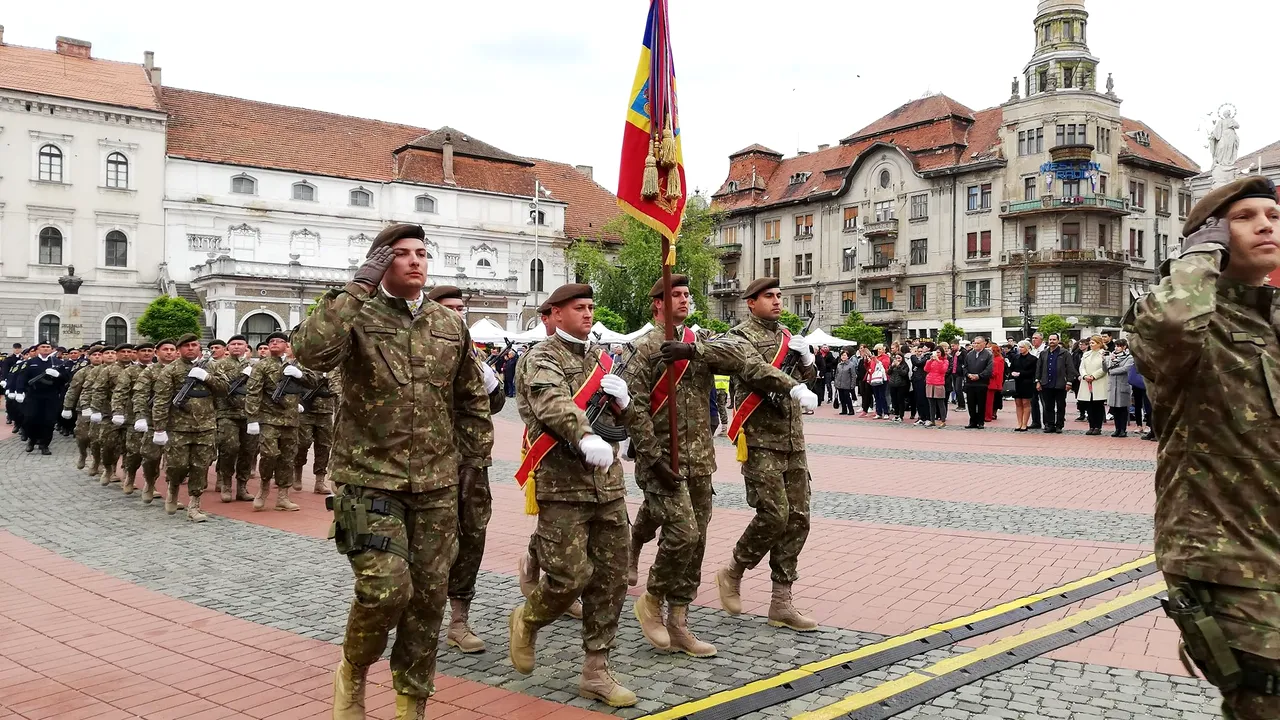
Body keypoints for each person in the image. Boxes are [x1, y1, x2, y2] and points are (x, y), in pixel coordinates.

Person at [293, 223, 491, 719]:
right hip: (367, 479)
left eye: (422, 253)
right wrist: (359, 284)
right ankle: (354, 670)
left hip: (437, 483)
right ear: (381, 263)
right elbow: (311, 352)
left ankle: (411, 704)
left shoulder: (449, 326)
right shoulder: (356, 316)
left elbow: (471, 400)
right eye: (400, 254)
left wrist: (474, 462)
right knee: (385, 589)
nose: (415, 261)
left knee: (428, 599)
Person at [1124, 176, 1280, 720]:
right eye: (1244, 217)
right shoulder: (1189, 320)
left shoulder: (1272, 318)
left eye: (1273, 215)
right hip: (1226, 560)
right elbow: (1172, 321)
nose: (1266, 224)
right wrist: (1199, 254)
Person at [625, 275, 803, 657]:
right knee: (683, 535)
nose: (685, 299)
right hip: (663, 460)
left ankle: (679, 622)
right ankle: (653, 599)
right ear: (657, 304)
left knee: (698, 542)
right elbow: (634, 407)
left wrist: (693, 352)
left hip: (700, 459)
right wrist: (651, 457)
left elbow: (741, 359)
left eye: (688, 294)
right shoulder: (643, 348)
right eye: (676, 295)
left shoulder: (700, 342)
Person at [507, 283, 636, 707]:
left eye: (590, 307)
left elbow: (622, 421)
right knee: (569, 577)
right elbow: (552, 404)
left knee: (612, 577)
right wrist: (582, 435)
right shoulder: (540, 358)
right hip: (564, 487)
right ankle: (528, 618)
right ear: (555, 313)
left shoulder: (601, 358)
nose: (587, 313)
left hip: (609, 486)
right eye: (578, 307)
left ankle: (595, 670)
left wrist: (625, 404)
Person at [716, 277, 821, 633]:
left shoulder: (789, 337)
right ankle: (734, 569)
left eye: (779, 296)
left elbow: (812, 380)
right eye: (769, 297)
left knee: (799, 519)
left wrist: (807, 360)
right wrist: (793, 384)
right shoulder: (740, 338)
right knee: (774, 515)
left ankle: (781, 601)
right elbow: (755, 371)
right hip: (760, 440)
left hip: (793, 441)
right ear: (750, 302)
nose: (777, 301)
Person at [425, 284, 504, 656]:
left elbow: (498, 404)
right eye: (449, 308)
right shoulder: (422, 349)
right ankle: (419, 614)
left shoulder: (472, 353)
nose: (458, 314)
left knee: (472, 537)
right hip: (428, 463)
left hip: (473, 463)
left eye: (461, 308)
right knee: (428, 542)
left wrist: (491, 379)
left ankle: (458, 619)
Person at [151, 334, 229, 520]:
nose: (190, 348)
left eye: (194, 345)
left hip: (206, 426)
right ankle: (173, 488)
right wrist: (159, 428)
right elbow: (161, 401)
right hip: (178, 427)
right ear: (179, 350)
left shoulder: (212, 367)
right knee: (177, 465)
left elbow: (225, 389)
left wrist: (207, 377)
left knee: (200, 466)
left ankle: (194, 505)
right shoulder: (170, 370)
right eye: (186, 346)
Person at [244, 332, 312, 511]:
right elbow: (253, 392)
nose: (274, 343)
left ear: (286, 345)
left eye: (278, 341)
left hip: (291, 419)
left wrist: (299, 375)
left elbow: (314, 381)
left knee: (288, 457)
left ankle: (283, 496)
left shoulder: (297, 365)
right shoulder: (262, 365)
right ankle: (263, 488)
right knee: (269, 454)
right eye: (271, 341)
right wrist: (252, 418)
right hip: (269, 418)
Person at [211, 335, 257, 502]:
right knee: (229, 448)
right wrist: (240, 376)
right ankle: (226, 483)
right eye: (233, 344)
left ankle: (242, 486)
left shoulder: (254, 366)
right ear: (228, 348)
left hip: (249, 414)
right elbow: (220, 386)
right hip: (226, 413)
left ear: (246, 347)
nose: (237, 347)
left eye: (240, 344)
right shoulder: (218, 365)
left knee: (248, 451)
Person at [133, 338, 177, 503]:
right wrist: (140, 417)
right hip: (154, 420)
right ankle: (150, 483)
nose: (169, 352)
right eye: (165, 349)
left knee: (176, 461)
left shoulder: (184, 370)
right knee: (151, 457)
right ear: (157, 352)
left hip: (178, 421)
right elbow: (140, 394)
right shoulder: (149, 372)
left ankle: (173, 492)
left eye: (172, 349)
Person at [13, 341, 68, 455]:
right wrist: (19, 391)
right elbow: (22, 377)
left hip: (51, 396)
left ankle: (44, 444)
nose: (46, 349)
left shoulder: (58, 363)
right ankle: (32, 440)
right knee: (30, 419)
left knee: (48, 421)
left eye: (48, 347)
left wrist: (58, 375)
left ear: (52, 349)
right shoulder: (30, 362)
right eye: (43, 347)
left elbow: (66, 379)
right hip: (33, 395)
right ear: (38, 349)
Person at [114, 342, 153, 494]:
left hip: (158, 417)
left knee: (153, 455)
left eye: (150, 351)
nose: (147, 353)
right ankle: (129, 475)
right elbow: (120, 392)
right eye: (143, 351)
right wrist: (118, 412)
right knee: (135, 451)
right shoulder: (129, 371)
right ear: (136, 353)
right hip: (134, 417)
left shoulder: (160, 370)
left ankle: (150, 483)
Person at [63, 345, 104, 469]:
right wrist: (67, 407)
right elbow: (73, 390)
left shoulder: (109, 370)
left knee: (99, 438)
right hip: (85, 408)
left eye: (99, 355)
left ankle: (98, 462)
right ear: (89, 357)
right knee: (82, 435)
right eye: (94, 355)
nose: (97, 357)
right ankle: (82, 454)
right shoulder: (83, 371)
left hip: (103, 409)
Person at [1035, 333, 1077, 434]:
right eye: (1050, 339)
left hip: (1060, 384)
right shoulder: (1043, 353)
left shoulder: (1065, 353)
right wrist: (1038, 381)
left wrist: (1069, 382)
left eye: (1054, 339)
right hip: (1046, 383)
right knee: (1048, 406)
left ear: (1058, 340)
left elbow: (1070, 368)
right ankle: (1050, 425)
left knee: (1060, 406)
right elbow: (1039, 368)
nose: (1052, 341)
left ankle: (1059, 425)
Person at [1077, 335, 1109, 436]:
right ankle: (1091, 426)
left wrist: (1094, 376)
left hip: (1098, 382)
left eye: (1093, 343)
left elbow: (1105, 368)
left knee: (1098, 405)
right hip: (1087, 382)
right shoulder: (1086, 354)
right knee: (1089, 406)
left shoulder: (1104, 354)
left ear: (1099, 344)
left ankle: (1098, 427)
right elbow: (1082, 367)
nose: (1091, 345)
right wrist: (1085, 375)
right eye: (1090, 343)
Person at [1103, 338, 1134, 437]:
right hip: (1112, 386)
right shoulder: (1112, 356)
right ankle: (1117, 429)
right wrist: (1104, 360)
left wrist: (1112, 370)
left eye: (1119, 346)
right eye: (1116, 346)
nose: (1116, 348)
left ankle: (1123, 430)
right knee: (1115, 409)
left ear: (1124, 347)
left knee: (1123, 409)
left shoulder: (1129, 357)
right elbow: (1105, 369)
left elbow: (1125, 368)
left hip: (1122, 386)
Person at [960, 336, 993, 429]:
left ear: (983, 344)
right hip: (970, 383)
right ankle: (972, 421)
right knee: (971, 403)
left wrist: (979, 376)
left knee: (981, 403)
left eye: (978, 343)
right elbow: (965, 367)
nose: (975, 345)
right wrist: (968, 375)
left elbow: (989, 369)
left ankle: (980, 421)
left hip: (982, 383)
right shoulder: (969, 354)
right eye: (974, 343)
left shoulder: (988, 354)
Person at [1008, 340, 1038, 431]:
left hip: (1027, 383)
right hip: (1016, 383)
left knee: (1026, 403)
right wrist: (1012, 373)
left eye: (1022, 347)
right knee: (1018, 403)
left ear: (1028, 348)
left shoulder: (1033, 359)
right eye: (1019, 347)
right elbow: (1010, 368)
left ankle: (1025, 423)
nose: (1020, 349)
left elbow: (1033, 372)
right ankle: (1019, 423)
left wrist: (1020, 373)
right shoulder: (1016, 358)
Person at [924, 349, 948, 427]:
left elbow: (943, 370)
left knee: (940, 403)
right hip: (930, 382)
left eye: (938, 352)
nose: (937, 354)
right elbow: (926, 369)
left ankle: (943, 420)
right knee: (931, 403)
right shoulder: (932, 361)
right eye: (936, 352)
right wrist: (930, 360)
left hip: (939, 383)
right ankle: (932, 420)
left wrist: (938, 361)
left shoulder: (945, 361)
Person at [985, 342, 1005, 423]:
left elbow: (995, 373)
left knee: (990, 401)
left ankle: (989, 415)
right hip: (992, 382)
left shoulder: (998, 360)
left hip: (993, 383)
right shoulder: (996, 359)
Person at [868, 344, 889, 419]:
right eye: (877, 349)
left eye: (880, 349)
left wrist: (876, 361)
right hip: (875, 378)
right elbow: (871, 367)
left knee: (882, 395)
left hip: (882, 378)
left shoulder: (885, 357)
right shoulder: (873, 358)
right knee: (876, 396)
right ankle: (879, 412)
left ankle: (886, 412)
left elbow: (885, 366)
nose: (879, 351)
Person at [887, 353, 909, 422]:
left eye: (899, 358)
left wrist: (898, 366)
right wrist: (891, 367)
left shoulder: (905, 365)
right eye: (896, 358)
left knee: (900, 400)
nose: (897, 360)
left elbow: (904, 373)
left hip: (901, 385)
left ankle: (901, 415)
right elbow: (888, 372)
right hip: (892, 384)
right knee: (894, 400)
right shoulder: (893, 365)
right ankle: (896, 415)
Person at [834, 350, 857, 415]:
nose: (843, 357)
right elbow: (836, 374)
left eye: (845, 355)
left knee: (847, 397)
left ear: (848, 356)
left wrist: (852, 385)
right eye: (842, 355)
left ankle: (851, 410)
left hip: (847, 384)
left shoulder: (851, 365)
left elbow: (853, 375)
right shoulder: (839, 365)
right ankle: (844, 410)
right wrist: (836, 383)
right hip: (839, 384)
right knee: (841, 398)